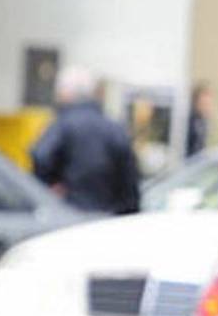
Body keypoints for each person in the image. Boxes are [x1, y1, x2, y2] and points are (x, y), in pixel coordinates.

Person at [30, 66, 140, 214]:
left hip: (69, 214)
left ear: (66, 93)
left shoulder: (63, 124)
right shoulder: (115, 128)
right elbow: (130, 184)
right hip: (107, 218)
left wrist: (51, 186)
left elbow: (41, 156)